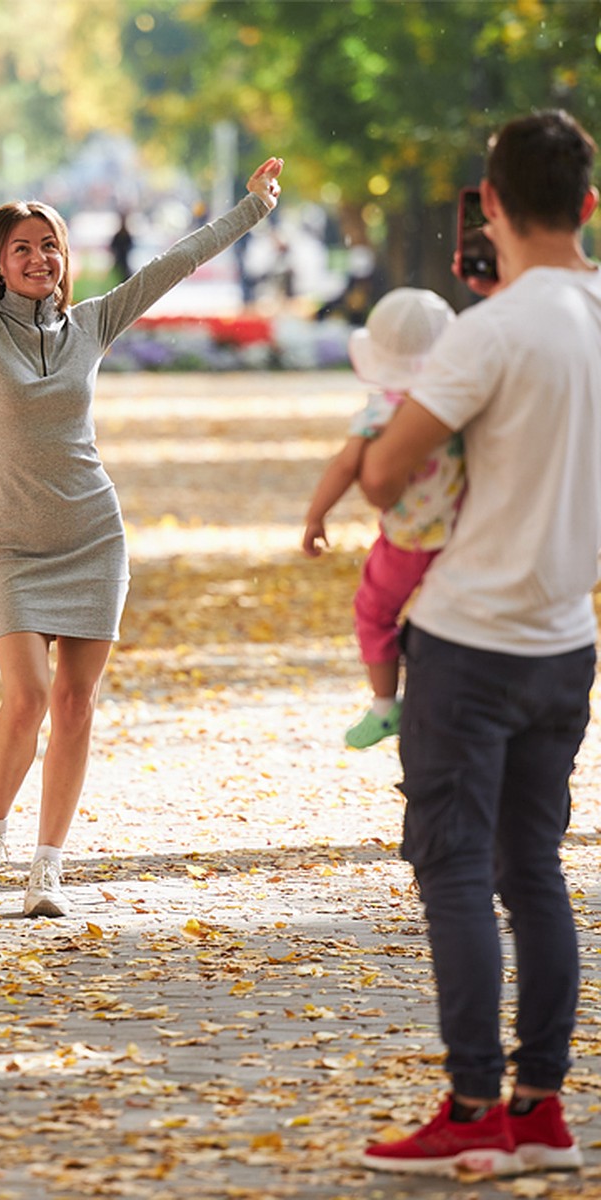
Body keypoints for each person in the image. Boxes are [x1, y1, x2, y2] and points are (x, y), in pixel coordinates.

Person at [0, 123, 282, 918]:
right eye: (22, 247)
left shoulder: (89, 327)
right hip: (14, 545)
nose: (40, 258)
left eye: (50, 246)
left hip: (93, 536)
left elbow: (173, 265)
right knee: (26, 699)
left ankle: (48, 867)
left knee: (76, 706)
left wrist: (251, 208)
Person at [357, 109, 599, 1176]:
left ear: (490, 205)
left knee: (451, 865)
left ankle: (471, 1109)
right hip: (565, 639)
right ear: (589, 205)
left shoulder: (491, 329)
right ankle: (542, 1108)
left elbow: (383, 472)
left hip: (468, 641)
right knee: (533, 868)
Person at [302, 287, 462, 749]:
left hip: (406, 540)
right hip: (459, 533)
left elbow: (347, 465)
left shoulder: (381, 409)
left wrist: (316, 517)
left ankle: (384, 704)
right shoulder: (456, 403)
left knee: (373, 611)